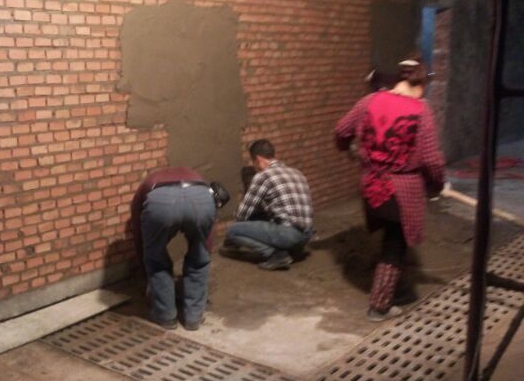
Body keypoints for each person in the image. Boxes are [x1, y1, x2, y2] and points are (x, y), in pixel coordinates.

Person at [335, 56, 445, 321]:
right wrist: (436, 185)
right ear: (421, 84)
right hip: (401, 190)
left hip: (371, 185)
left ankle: (395, 286)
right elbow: (431, 159)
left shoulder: (369, 101)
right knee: (394, 245)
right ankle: (379, 305)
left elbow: (341, 131)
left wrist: (348, 149)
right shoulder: (421, 110)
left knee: (390, 238)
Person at [131, 167, 229, 330]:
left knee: (156, 260)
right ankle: (194, 317)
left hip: (162, 202)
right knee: (199, 259)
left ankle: (165, 316)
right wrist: (204, 254)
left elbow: (138, 233)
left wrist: (145, 269)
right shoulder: (196, 177)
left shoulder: (149, 182)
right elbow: (207, 240)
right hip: (201, 199)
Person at [222, 139, 314, 270]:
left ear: (258, 159)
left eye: (253, 162)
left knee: (233, 230)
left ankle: (276, 255)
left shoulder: (263, 176)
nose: (254, 167)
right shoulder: (296, 172)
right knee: (266, 220)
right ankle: (292, 250)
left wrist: (233, 233)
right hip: (307, 235)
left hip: (289, 235)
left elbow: (242, 214)